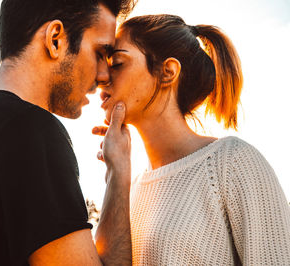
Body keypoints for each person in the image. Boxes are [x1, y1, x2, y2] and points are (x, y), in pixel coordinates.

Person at [0, 0, 136, 265]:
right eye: (100, 52)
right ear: (55, 39)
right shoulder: (28, 131)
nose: (103, 75)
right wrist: (119, 173)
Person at [93, 14, 290, 265]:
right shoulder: (129, 188)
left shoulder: (232, 163)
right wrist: (116, 174)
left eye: (117, 63)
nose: (101, 76)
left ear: (168, 72)